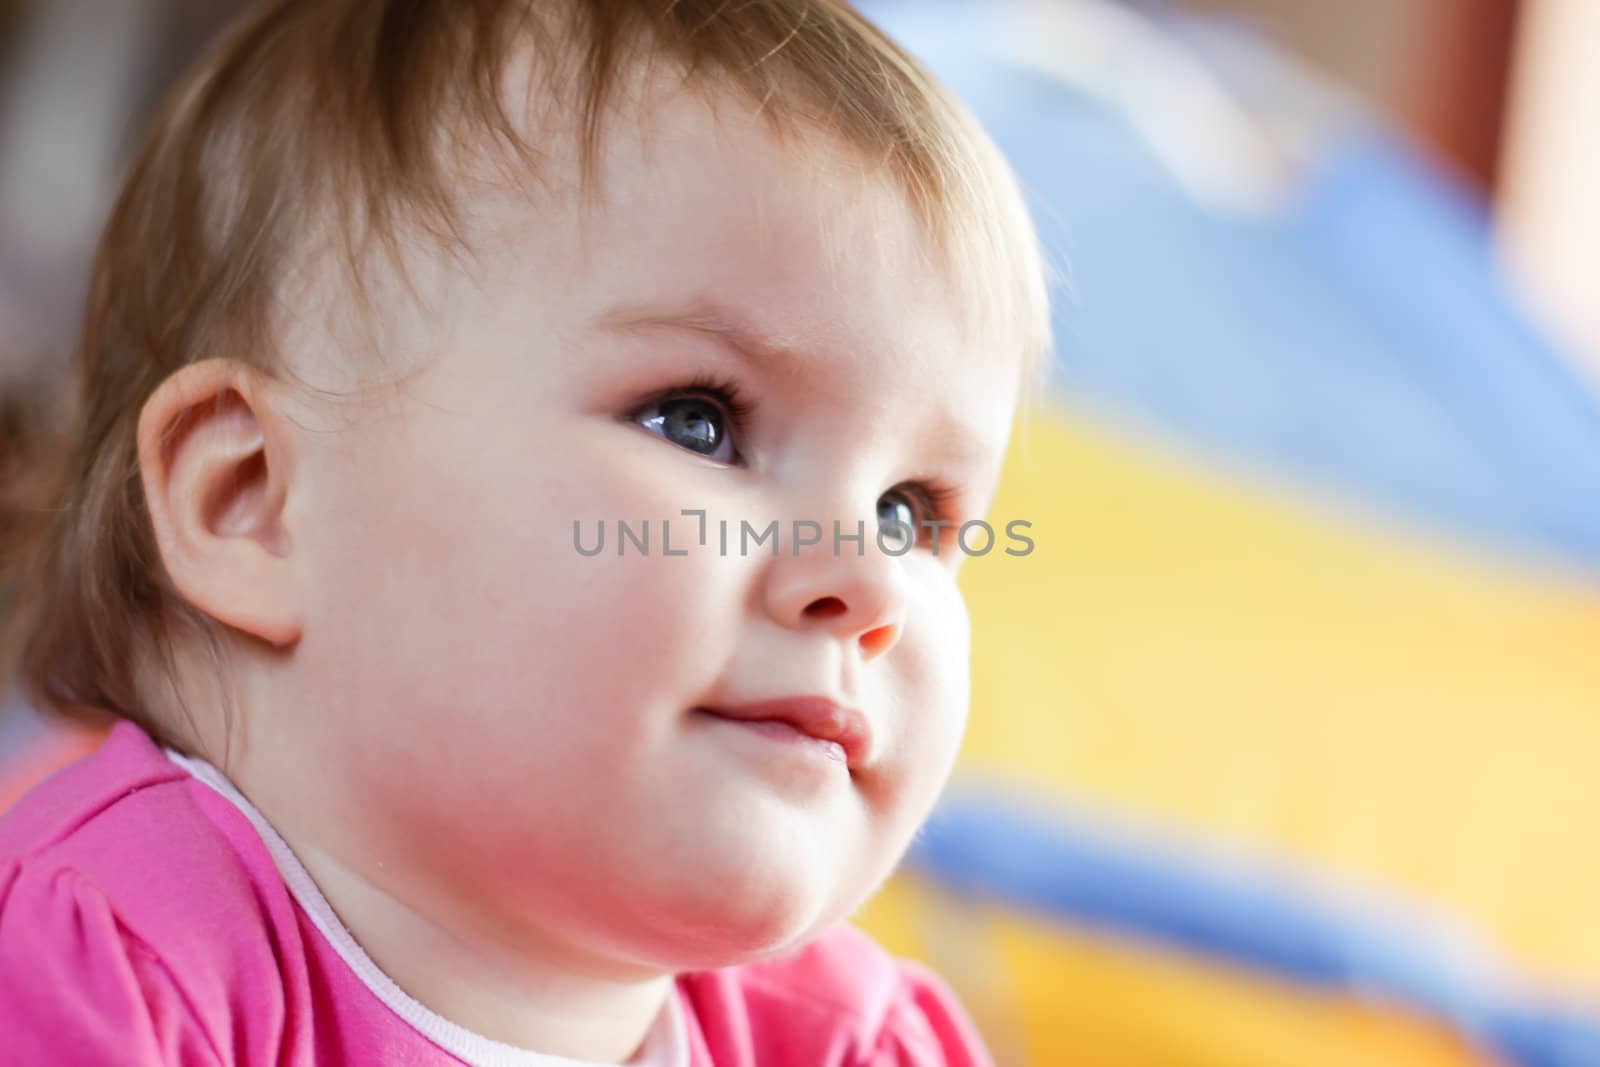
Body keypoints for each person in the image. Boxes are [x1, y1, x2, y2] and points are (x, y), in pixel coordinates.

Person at [0, 1, 1049, 1063]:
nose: (868, 576)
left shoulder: (855, 1043)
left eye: (910, 510)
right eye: (698, 420)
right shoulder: (106, 964)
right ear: (257, 500)